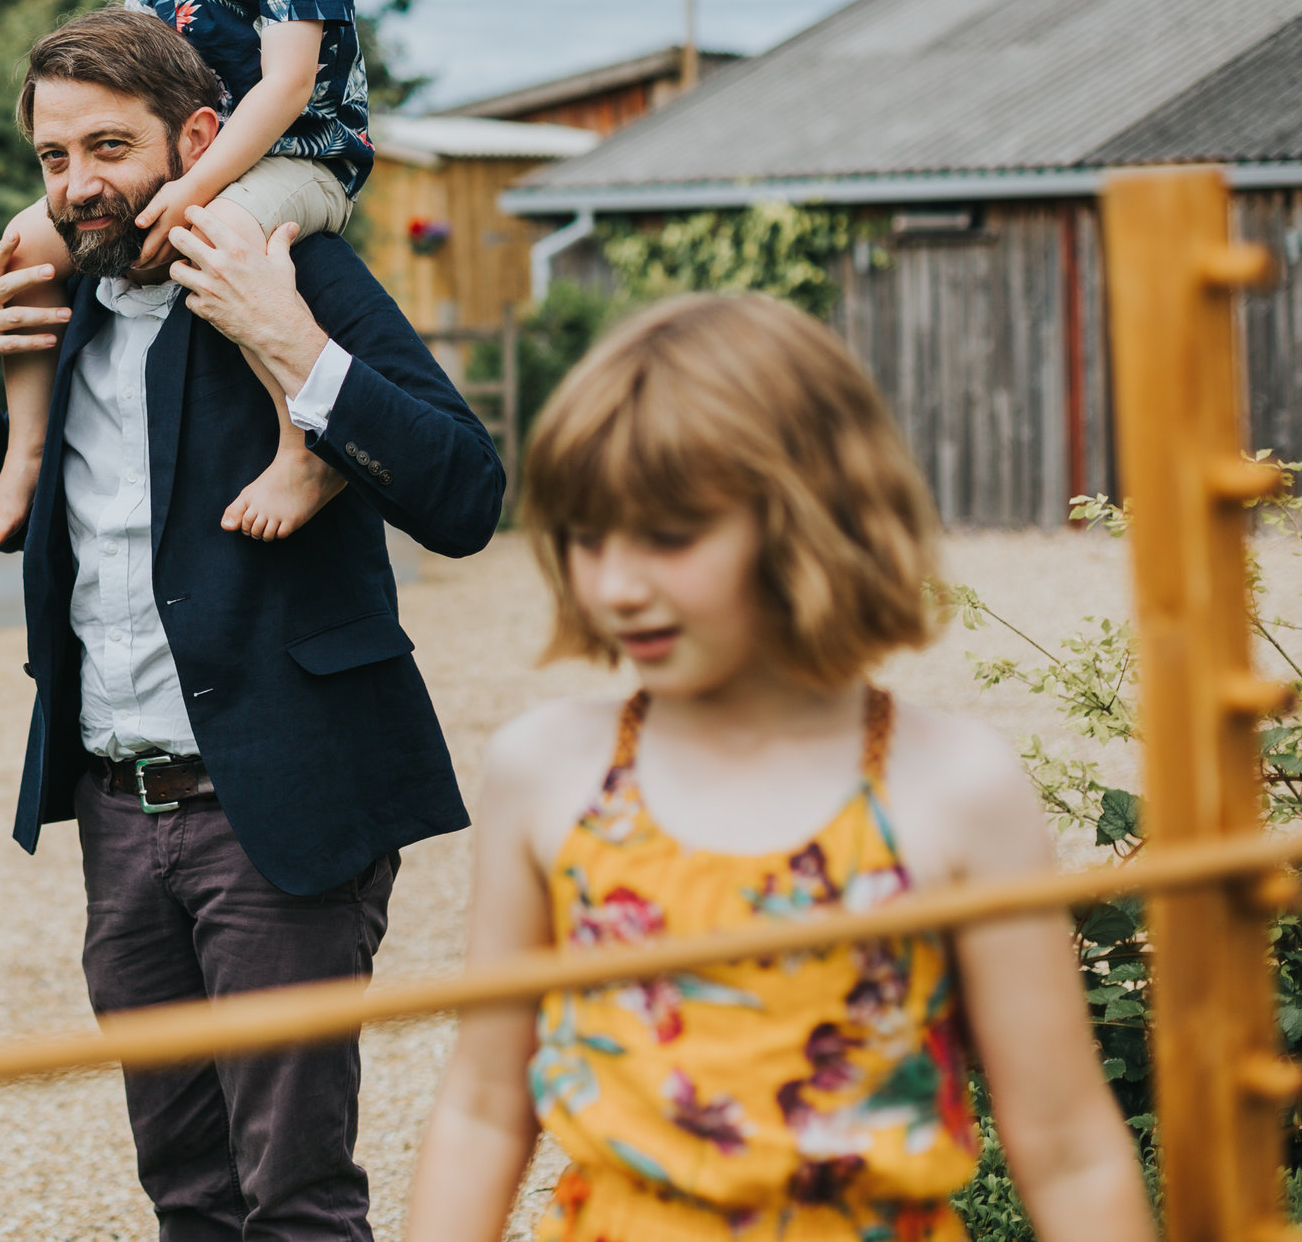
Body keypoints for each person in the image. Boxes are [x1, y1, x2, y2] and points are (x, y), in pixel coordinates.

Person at [0, 10, 502, 1241]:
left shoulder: (292, 266)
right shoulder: (61, 298)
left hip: (277, 805)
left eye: (108, 148)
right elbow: (33, 521)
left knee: (293, 1199)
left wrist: (290, 341)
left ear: (198, 137)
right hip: (119, 814)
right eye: (52, 157)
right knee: (185, 1191)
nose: (78, 186)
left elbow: (465, 494)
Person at [404, 295, 1154, 1242]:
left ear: (811, 519)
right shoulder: (546, 770)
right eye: (589, 538)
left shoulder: (957, 787)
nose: (616, 585)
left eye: (670, 536)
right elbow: (481, 1108)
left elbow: (1069, 1146)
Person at [0, 0, 373, 554]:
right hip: (198, 162)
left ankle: (304, 447)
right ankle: (28, 447)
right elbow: (127, 82)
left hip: (300, 158)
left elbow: (288, 86)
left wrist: (193, 187)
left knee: (219, 232)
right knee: (22, 249)